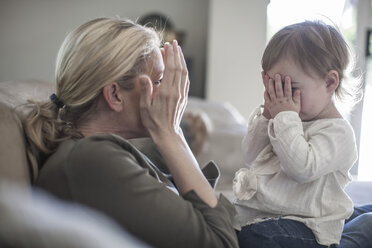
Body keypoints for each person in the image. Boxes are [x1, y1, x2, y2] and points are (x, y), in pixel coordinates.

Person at [23, 17, 238, 248]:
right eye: (159, 80)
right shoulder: (91, 159)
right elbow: (221, 243)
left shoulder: (98, 152)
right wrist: (171, 132)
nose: (168, 92)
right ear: (115, 95)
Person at [233, 20, 362, 247]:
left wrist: (284, 118)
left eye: (290, 88)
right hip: (265, 216)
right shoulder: (286, 118)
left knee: (259, 238)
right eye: (274, 87)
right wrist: (268, 115)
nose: (282, 98)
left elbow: (301, 168)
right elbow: (251, 156)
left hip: (308, 227)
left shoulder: (338, 133)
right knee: (217, 216)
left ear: (330, 82)